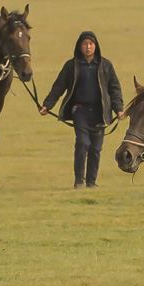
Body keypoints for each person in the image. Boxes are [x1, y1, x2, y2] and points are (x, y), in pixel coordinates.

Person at [39, 30, 124, 188]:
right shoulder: (72, 65)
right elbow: (58, 87)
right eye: (84, 44)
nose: (88, 47)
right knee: (83, 143)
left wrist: (118, 109)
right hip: (80, 110)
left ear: (95, 46)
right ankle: (79, 180)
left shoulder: (105, 65)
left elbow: (115, 89)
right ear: (79, 46)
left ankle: (91, 182)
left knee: (96, 148)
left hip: (100, 112)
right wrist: (47, 105)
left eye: (91, 44)